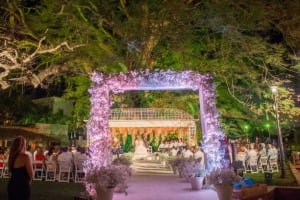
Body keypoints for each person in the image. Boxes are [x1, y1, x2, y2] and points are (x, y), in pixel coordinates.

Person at [7, 136, 34, 200]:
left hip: (12, 185)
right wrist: (28, 183)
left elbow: (11, 171)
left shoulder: (11, 157)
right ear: (23, 145)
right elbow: (31, 174)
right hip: (22, 186)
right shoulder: (25, 157)